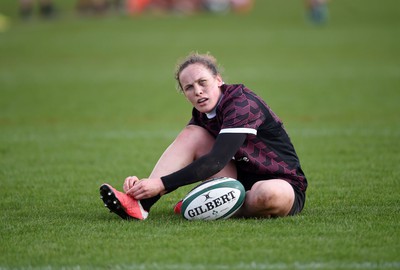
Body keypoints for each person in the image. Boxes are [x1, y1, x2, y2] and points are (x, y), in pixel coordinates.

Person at [100, 52, 308, 220]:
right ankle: (141, 203)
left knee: (268, 194)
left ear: (218, 80)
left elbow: (215, 161)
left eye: (202, 82)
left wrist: (161, 184)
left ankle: (200, 206)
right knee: (192, 134)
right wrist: (148, 187)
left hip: (282, 183)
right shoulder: (202, 115)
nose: (197, 91)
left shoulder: (241, 103)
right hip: (237, 181)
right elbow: (186, 160)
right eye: (189, 87)